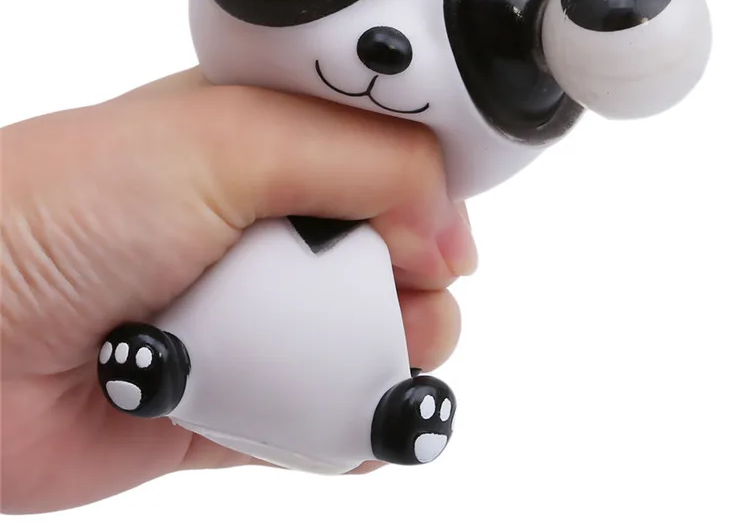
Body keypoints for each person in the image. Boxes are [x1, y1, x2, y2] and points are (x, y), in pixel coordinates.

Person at [1, 68, 476, 515]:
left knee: (409, 340)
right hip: (201, 355)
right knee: (419, 328)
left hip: (338, 389)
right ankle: (162, 371)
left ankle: (392, 417)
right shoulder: (245, 176)